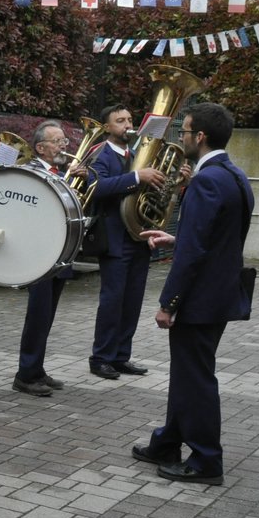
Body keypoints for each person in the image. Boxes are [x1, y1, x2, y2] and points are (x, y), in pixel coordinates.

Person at [133, 103, 254, 485]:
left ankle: (206, 461)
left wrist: (169, 303)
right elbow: (217, 237)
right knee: (188, 376)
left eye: (183, 132)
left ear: (199, 137)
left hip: (201, 299)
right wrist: (177, 235)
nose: (180, 138)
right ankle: (167, 442)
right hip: (220, 292)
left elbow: (195, 251)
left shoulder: (206, 180)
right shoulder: (233, 175)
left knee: (196, 380)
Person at [87, 104, 167, 381]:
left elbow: (152, 196)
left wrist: (172, 182)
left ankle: (121, 356)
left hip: (139, 237)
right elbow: (95, 187)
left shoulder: (137, 154)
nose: (127, 125)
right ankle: (101, 358)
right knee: (112, 301)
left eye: (130, 119)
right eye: (120, 121)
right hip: (114, 238)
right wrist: (136, 177)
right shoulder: (100, 154)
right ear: (107, 127)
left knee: (132, 301)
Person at [12, 121, 86, 397]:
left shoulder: (59, 173)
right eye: (57, 141)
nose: (64, 145)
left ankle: (37, 369)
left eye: (64, 140)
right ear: (40, 148)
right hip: (39, 254)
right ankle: (25, 373)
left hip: (59, 252)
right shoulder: (31, 174)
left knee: (48, 315)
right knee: (38, 314)